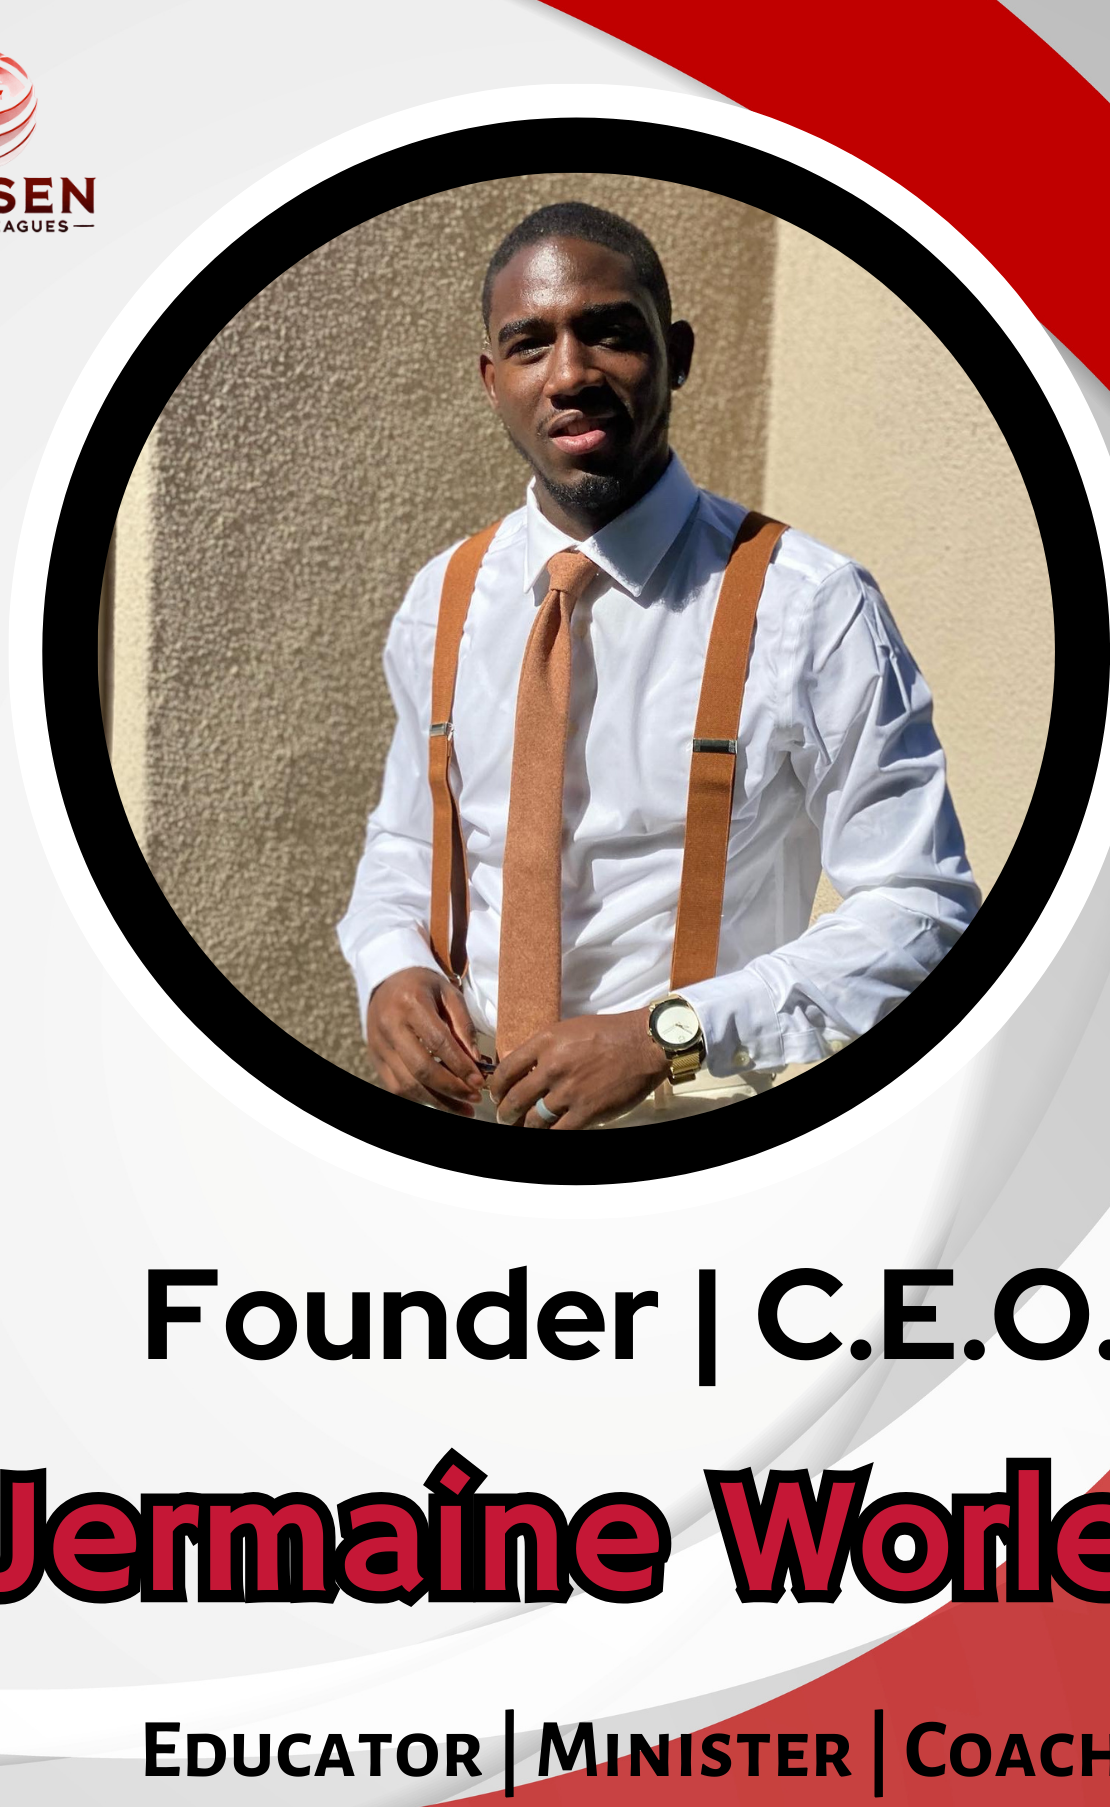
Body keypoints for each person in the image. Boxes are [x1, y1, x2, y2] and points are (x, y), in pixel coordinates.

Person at [336, 201, 978, 1131]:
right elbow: (407, 840)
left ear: (675, 352)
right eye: (530, 344)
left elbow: (923, 905)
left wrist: (669, 1035)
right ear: (491, 381)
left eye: (607, 333)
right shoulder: (442, 597)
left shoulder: (807, 604)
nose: (570, 374)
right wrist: (388, 963)